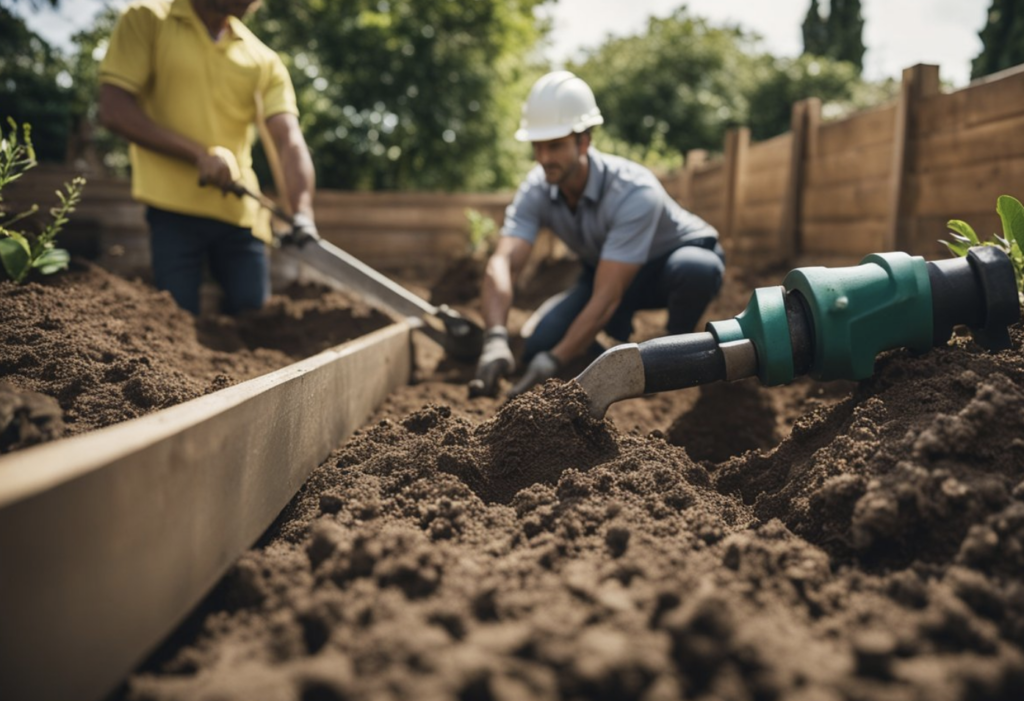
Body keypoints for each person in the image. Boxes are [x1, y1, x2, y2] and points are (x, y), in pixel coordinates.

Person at [472, 71, 725, 398]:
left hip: (668, 266)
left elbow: (607, 295)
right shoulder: (538, 187)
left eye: (555, 146)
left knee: (697, 268)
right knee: (538, 344)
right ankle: (604, 352)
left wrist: (556, 360)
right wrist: (495, 339)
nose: (544, 158)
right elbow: (503, 262)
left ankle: (675, 353)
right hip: (610, 270)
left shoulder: (633, 191)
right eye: (537, 146)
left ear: (584, 141)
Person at [98, 0, 319, 315]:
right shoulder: (148, 18)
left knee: (253, 319)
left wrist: (302, 213)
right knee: (174, 321)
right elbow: (115, 109)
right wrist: (198, 155)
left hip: (242, 215)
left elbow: (289, 140)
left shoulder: (263, 60)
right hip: (172, 210)